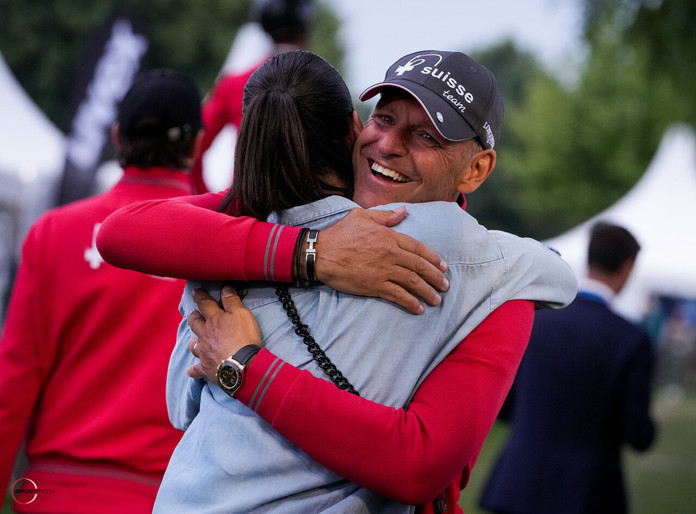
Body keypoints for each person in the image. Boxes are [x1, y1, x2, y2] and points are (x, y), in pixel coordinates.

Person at [99, 50, 577, 512]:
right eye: (384, 119)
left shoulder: (496, 284)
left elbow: (420, 464)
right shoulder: (272, 212)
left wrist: (244, 366)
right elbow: (122, 233)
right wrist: (313, 253)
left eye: (427, 137)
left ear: (477, 169)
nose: (389, 145)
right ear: (355, 126)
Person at [0, 69, 204, 512]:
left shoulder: (53, 233)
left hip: (53, 495)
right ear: (196, 145)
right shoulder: (228, 243)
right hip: (172, 498)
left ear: (117, 136)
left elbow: (11, 388)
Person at [479, 221, 657, 514]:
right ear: (627, 267)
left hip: (517, 484)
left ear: (589, 257)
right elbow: (637, 433)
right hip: (587, 493)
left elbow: (504, 405)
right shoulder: (630, 338)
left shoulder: (537, 319)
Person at [191, 0, 315, 193]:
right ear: (305, 30)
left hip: (244, 206)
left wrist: (211, 203)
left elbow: (193, 147)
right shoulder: (322, 88)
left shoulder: (233, 83)